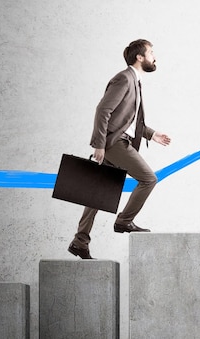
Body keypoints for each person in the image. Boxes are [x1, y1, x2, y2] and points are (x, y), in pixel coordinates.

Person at [68, 39, 171, 259]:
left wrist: (151, 134)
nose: (155, 56)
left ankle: (80, 242)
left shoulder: (135, 81)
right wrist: (99, 144)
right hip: (115, 143)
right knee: (148, 179)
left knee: (97, 193)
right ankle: (124, 221)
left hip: (118, 140)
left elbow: (127, 120)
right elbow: (103, 110)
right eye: (151, 52)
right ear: (139, 57)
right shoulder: (124, 78)